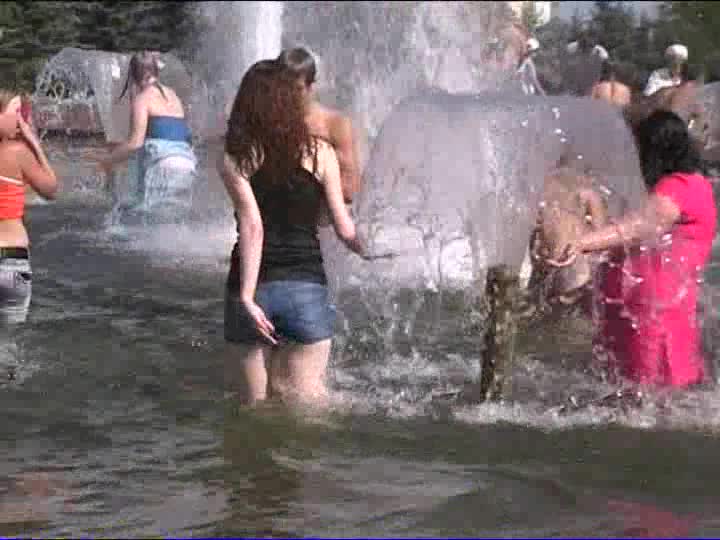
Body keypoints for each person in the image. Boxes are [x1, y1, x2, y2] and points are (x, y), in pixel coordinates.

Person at [220, 60, 371, 406]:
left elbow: (253, 227)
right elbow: (344, 227)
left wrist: (247, 297)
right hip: (305, 289)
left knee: (253, 408)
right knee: (308, 407)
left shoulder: (236, 157)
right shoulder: (321, 153)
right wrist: (371, 250)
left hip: (252, 287)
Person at [559, 111, 716, 387]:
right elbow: (628, 239)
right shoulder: (687, 185)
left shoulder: (679, 187)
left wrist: (581, 243)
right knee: (634, 388)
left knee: (653, 389)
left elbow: (636, 227)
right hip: (644, 307)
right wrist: (594, 203)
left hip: (654, 312)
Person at [97, 51, 197, 224]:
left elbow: (135, 143)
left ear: (133, 76)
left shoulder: (142, 100)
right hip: (187, 166)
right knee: (173, 222)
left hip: (164, 166)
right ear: (156, 71)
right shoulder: (173, 95)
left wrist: (108, 160)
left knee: (149, 220)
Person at [275, 48, 362, 204]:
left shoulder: (335, 125)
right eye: (284, 88)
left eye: (297, 89)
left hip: (323, 214)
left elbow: (350, 188)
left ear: (311, 86)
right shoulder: (273, 123)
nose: (289, 95)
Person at [0, 90, 57, 325]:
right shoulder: (17, 153)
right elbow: (51, 189)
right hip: (11, 262)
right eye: (15, 112)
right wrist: (34, 143)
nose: (20, 120)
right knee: (11, 339)